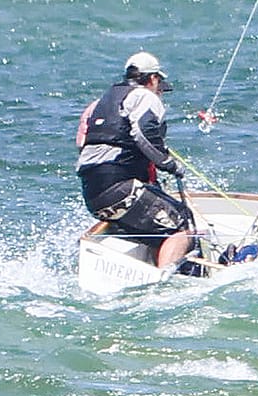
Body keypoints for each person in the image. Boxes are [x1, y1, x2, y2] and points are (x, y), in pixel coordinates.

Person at [76, 51, 196, 273]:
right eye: (159, 85)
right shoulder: (145, 96)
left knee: (156, 226)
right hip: (120, 189)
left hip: (93, 193)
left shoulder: (101, 102)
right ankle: (166, 283)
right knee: (182, 224)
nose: (160, 93)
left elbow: (81, 141)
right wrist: (169, 163)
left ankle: (150, 264)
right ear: (152, 79)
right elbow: (144, 133)